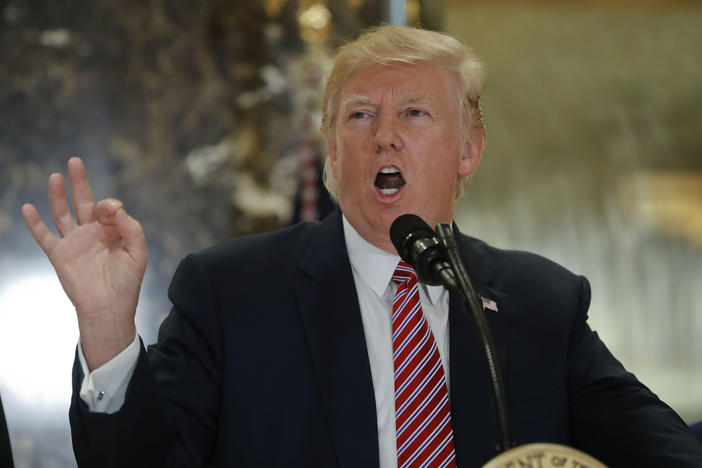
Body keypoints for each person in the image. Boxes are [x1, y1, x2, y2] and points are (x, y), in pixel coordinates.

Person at [23, 25, 702, 467]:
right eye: (359, 116)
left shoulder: (538, 302)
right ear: (332, 156)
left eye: (413, 112)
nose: (385, 136)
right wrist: (109, 334)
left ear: (468, 151)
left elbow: (662, 450)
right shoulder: (231, 293)